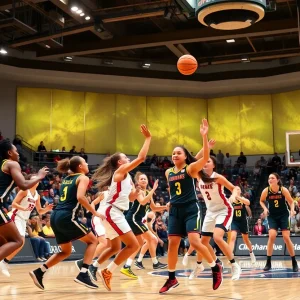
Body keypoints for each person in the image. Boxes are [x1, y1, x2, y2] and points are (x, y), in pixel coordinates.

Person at [159, 119, 222, 294]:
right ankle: (171, 278)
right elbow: (174, 189)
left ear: (185, 156)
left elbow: (205, 158)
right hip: (175, 211)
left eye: (178, 153)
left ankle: (215, 268)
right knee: (172, 243)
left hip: (191, 209)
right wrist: (171, 200)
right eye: (173, 153)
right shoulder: (168, 172)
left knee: (194, 241)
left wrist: (204, 136)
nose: (174, 155)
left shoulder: (191, 169)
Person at [88, 124, 152, 291]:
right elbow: (141, 158)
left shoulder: (128, 176)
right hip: (112, 211)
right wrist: (148, 138)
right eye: (125, 157)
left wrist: (136, 191)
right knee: (134, 245)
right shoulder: (121, 171)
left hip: (115, 211)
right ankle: (108, 271)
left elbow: (130, 199)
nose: (127, 159)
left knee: (115, 247)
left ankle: (93, 267)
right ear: (119, 162)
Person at [29, 156, 104, 290]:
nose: (87, 164)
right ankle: (83, 273)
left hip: (55, 216)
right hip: (67, 216)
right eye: (85, 162)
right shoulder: (83, 178)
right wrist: (95, 212)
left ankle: (39, 271)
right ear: (80, 166)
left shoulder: (66, 179)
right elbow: (80, 197)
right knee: (93, 241)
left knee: (66, 251)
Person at [184, 156, 241, 281]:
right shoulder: (198, 176)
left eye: (208, 161)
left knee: (217, 237)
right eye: (204, 161)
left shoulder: (217, 177)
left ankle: (234, 265)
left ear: (213, 165)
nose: (205, 163)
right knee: (202, 242)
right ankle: (201, 265)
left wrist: (234, 195)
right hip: (210, 212)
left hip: (224, 210)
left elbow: (235, 188)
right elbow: (190, 164)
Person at [0, 139, 48, 270]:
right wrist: (39, 176)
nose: (19, 153)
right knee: (18, 241)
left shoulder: (3, 164)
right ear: (9, 153)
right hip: (14, 214)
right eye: (16, 151)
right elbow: (23, 184)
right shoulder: (12, 164)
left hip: (16, 214)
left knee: (3, 242)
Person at [0, 174, 53, 277]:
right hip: (15, 216)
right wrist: (23, 208)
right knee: (21, 241)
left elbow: (40, 211)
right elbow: (14, 204)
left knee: (17, 242)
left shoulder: (37, 195)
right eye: (33, 180)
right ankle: (4, 262)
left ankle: (4, 261)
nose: (36, 181)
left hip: (23, 220)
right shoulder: (25, 191)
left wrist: (47, 209)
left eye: (37, 180)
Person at [120, 172, 167, 278]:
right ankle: (155, 263)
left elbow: (154, 208)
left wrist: (165, 207)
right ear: (138, 181)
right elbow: (142, 202)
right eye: (141, 179)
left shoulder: (147, 192)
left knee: (139, 243)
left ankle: (127, 266)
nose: (143, 180)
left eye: (145, 179)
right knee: (153, 239)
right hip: (133, 219)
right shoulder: (139, 191)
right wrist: (153, 191)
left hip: (138, 220)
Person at [260, 172, 298, 272]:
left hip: (284, 216)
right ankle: (268, 262)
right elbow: (261, 201)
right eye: (269, 178)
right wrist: (264, 208)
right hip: (272, 216)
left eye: (272, 178)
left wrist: (292, 210)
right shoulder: (266, 190)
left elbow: (291, 201)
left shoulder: (283, 189)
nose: (270, 180)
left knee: (286, 237)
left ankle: (294, 262)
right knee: (272, 236)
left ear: (277, 180)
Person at [228, 186, 256, 264]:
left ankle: (251, 253)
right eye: (235, 189)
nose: (237, 190)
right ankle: (230, 257)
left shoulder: (242, 199)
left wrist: (238, 197)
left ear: (240, 191)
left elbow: (248, 202)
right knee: (232, 238)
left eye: (238, 189)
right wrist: (233, 197)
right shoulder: (231, 199)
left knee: (246, 240)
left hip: (243, 221)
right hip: (234, 221)